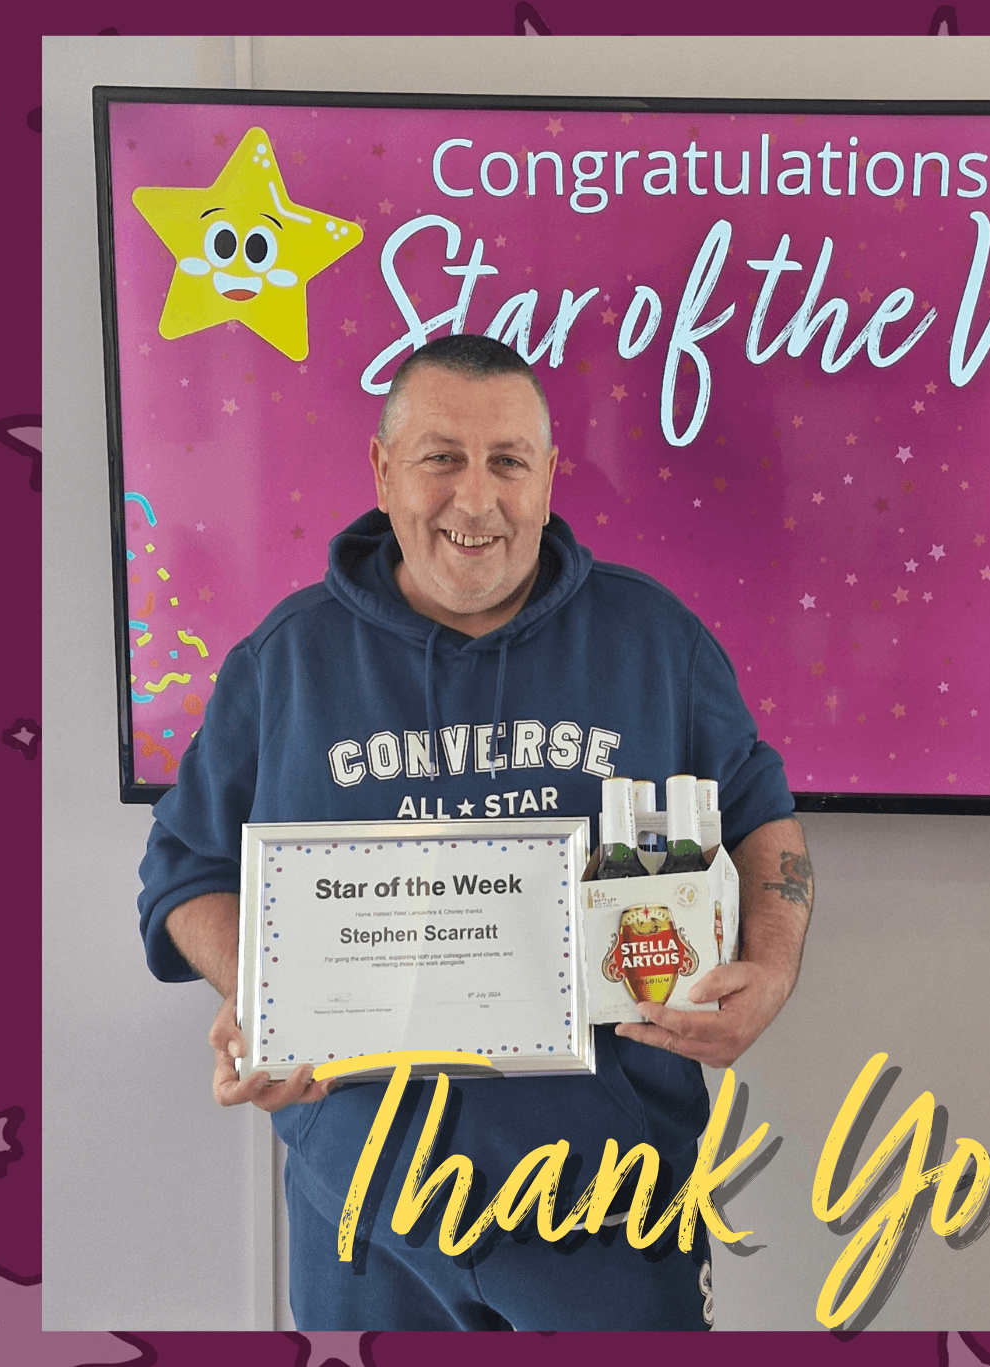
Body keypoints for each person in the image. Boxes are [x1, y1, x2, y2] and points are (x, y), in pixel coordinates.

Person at [136, 333, 812, 1330]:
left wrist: (775, 962)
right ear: (380, 470)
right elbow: (184, 868)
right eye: (440, 456)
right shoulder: (285, 662)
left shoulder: (653, 639)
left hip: (609, 1205)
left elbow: (762, 814)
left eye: (507, 461)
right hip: (366, 1206)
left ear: (547, 477)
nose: (476, 498)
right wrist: (260, 993)